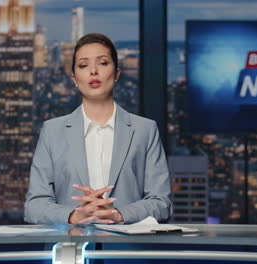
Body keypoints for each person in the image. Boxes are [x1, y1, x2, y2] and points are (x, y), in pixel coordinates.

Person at [24, 33, 172, 225]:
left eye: (102, 63)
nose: (93, 71)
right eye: (83, 65)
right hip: (70, 249)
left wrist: (118, 214)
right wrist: (73, 215)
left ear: (117, 73)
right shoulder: (52, 131)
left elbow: (161, 203)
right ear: (75, 79)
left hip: (126, 250)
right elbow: (33, 206)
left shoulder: (145, 129)